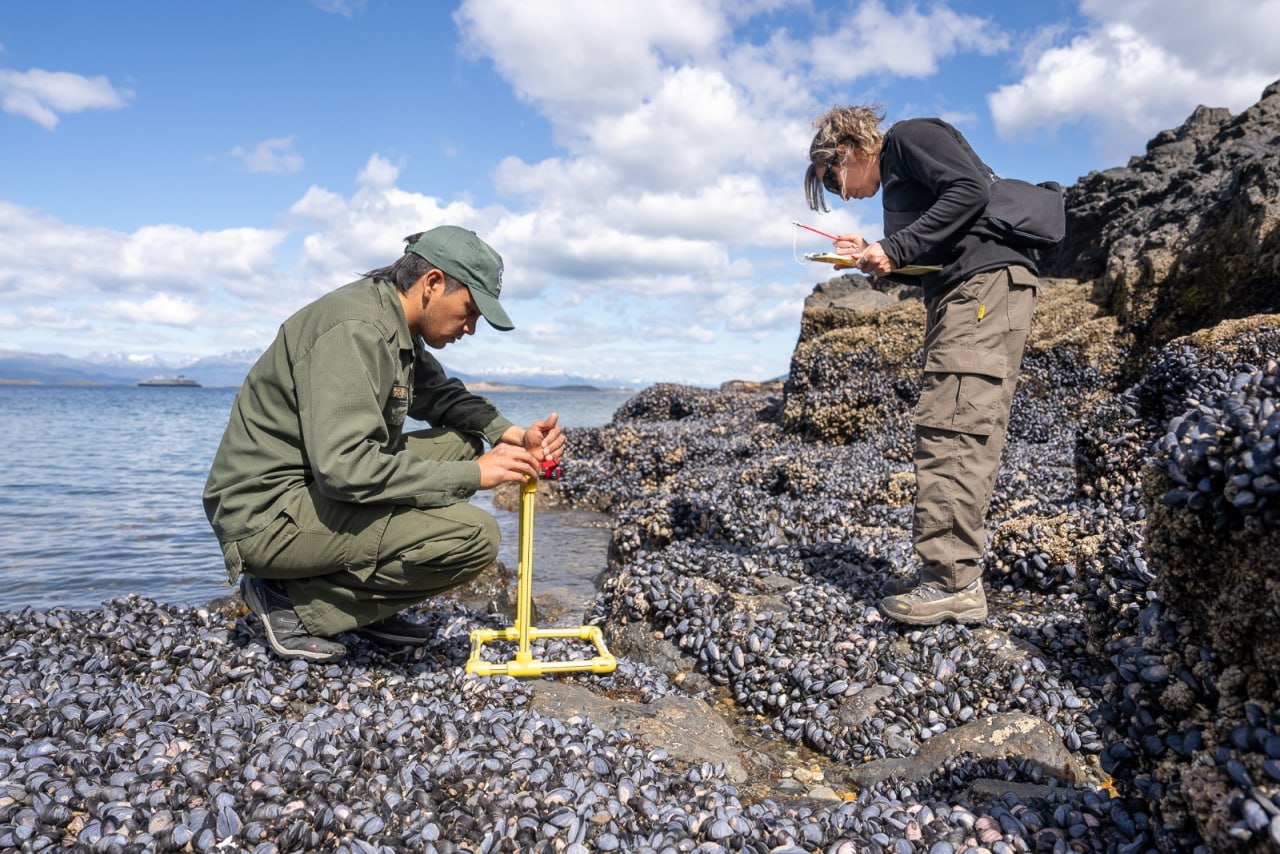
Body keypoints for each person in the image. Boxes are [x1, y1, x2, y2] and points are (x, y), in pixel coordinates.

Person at [204, 225, 563, 661]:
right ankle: (294, 605)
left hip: (309, 490)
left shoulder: (391, 320)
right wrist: (476, 474)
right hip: (266, 518)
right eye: (469, 311)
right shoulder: (355, 329)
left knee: (463, 442)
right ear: (432, 283)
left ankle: (355, 607)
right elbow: (346, 469)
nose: (470, 328)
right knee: (475, 535)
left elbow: (438, 396)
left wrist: (512, 434)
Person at [804, 105, 1041, 626]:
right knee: (960, 425)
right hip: (969, 292)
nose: (843, 195)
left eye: (832, 179)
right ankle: (950, 571)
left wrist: (895, 245)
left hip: (981, 291)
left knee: (951, 427)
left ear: (846, 150)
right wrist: (871, 255)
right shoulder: (899, 171)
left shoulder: (909, 138)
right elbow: (940, 243)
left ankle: (953, 583)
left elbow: (970, 192)